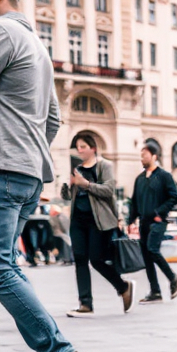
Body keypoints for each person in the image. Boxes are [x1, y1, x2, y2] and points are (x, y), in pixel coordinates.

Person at [0, 0, 93, 352]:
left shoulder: (2, 33)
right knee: (7, 266)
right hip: (28, 172)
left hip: (2, 168)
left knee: (0, 268)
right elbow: (53, 120)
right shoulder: (38, 48)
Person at [64, 133, 135, 316]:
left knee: (96, 260)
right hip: (78, 220)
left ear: (93, 148)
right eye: (77, 147)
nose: (79, 150)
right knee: (79, 259)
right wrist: (68, 187)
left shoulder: (104, 165)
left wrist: (86, 184)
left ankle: (123, 286)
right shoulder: (77, 169)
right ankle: (85, 304)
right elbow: (69, 197)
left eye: (83, 147)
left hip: (98, 221)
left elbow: (109, 190)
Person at [127, 139, 177, 304]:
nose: (142, 158)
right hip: (143, 222)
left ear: (154, 156)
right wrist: (131, 221)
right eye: (141, 156)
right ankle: (155, 291)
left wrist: (160, 212)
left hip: (158, 221)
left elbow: (174, 197)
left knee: (152, 249)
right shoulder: (140, 179)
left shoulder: (164, 176)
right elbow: (134, 201)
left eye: (145, 155)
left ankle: (173, 277)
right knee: (147, 256)